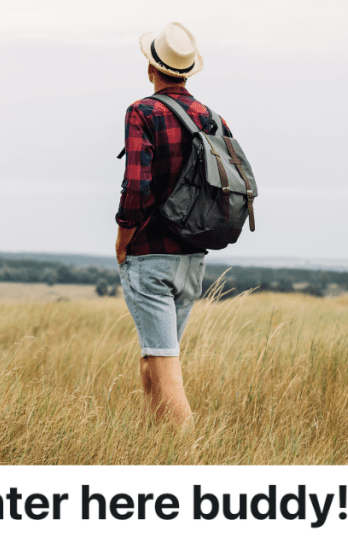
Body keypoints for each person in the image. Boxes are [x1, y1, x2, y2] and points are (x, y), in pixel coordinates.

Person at [115, 22, 233, 427]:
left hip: (150, 257)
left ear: (151, 67)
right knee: (153, 360)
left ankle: (190, 463)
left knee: (165, 375)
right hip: (192, 261)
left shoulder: (142, 112)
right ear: (187, 71)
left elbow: (135, 187)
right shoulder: (212, 118)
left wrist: (122, 241)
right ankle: (155, 456)